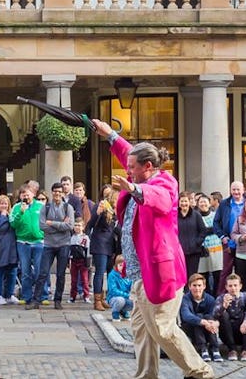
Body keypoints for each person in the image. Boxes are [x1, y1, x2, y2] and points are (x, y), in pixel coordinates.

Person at [90, 118, 213, 379]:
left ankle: (200, 372)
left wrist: (134, 188)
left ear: (148, 167)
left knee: (162, 327)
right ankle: (146, 375)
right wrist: (110, 134)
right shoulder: (140, 171)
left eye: (132, 168)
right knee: (141, 329)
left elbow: (159, 200)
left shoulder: (165, 184)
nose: (127, 170)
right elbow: (128, 154)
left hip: (160, 272)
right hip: (139, 273)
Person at [38, 182, 76, 309]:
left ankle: (58, 300)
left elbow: (70, 226)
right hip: (48, 244)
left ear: (62, 193)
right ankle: (36, 300)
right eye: (55, 191)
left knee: (61, 274)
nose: (57, 194)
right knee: (43, 272)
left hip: (64, 244)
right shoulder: (46, 207)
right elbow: (42, 226)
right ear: (52, 192)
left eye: (60, 191)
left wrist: (52, 223)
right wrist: (60, 225)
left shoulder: (68, 208)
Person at [10, 183, 44, 308]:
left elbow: (47, 222)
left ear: (33, 195)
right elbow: (13, 224)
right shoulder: (16, 207)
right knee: (25, 271)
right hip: (23, 242)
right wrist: (21, 213)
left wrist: (42, 233)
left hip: (39, 242)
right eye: (23, 194)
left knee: (40, 270)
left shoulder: (41, 206)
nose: (26, 196)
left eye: (28, 194)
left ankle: (42, 295)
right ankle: (26, 296)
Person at [213, 181, 246, 296]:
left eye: (238, 189)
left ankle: (241, 296)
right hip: (228, 243)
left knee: (242, 272)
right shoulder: (224, 204)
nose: (236, 192)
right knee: (225, 271)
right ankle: (221, 296)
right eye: (234, 189)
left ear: (243, 190)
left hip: (244, 243)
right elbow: (216, 222)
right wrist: (222, 236)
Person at [179, 273, 223, 362]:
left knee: (209, 317)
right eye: (194, 285)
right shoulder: (185, 299)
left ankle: (215, 348)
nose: (197, 288)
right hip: (190, 328)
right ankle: (203, 348)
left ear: (204, 286)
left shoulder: (210, 299)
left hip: (209, 330)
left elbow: (214, 315)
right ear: (189, 286)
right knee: (198, 317)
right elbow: (186, 315)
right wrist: (203, 322)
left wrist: (213, 323)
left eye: (199, 285)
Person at [86, 197, 117, 310]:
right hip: (100, 245)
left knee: (110, 272)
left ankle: (105, 298)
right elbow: (90, 225)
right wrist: (98, 213)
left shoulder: (115, 211)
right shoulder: (100, 207)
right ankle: (97, 300)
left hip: (110, 245)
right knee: (99, 272)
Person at [177, 195, 208, 293]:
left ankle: (192, 294)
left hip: (194, 251)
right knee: (182, 275)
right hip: (179, 252)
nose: (184, 204)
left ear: (189, 202)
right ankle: (183, 295)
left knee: (192, 275)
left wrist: (197, 242)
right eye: (182, 201)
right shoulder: (174, 215)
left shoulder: (196, 215)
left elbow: (203, 231)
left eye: (185, 201)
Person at [68, 219, 91, 303]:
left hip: (82, 261)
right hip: (73, 260)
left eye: (79, 225)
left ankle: (86, 296)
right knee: (73, 280)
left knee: (84, 279)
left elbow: (87, 251)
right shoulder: (72, 237)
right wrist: (68, 261)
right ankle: (72, 296)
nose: (77, 227)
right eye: (75, 225)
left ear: (83, 227)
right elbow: (69, 250)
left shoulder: (85, 238)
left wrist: (87, 262)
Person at [106, 255, 133, 321]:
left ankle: (123, 311)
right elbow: (113, 290)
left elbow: (130, 287)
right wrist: (127, 295)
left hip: (126, 297)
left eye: (124, 266)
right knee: (120, 300)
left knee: (135, 301)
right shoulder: (112, 275)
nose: (122, 268)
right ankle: (115, 313)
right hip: (113, 297)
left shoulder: (127, 275)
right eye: (120, 265)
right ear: (116, 265)